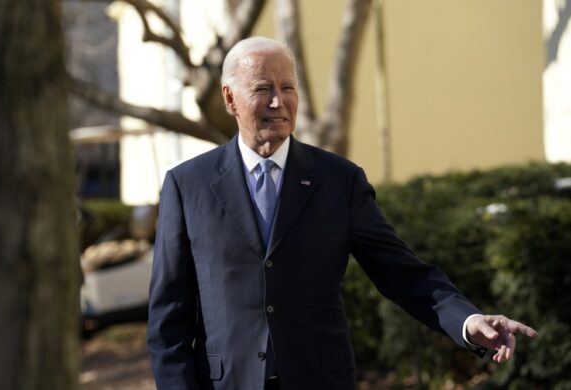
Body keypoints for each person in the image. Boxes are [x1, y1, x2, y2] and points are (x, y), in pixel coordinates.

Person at [147, 36, 537, 390]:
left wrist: (468, 321)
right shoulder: (188, 186)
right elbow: (169, 321)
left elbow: (403, 273)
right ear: (230, 99)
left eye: (288, 88)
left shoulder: (338, 180)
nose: (278, 102)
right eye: (263, 89)